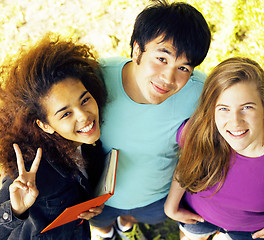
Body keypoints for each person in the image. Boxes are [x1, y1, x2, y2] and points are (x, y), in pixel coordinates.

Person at [89, 1, 211, 239]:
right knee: (100, 224)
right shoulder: (96, 78)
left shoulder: (200, 93)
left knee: (136, 217)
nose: (169, 78)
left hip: (156, 197)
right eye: (162, 59)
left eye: (184, 68)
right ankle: (107, 234)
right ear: (137, 50)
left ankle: (126, 225)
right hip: (98, 197)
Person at [0, 36, 108, 239]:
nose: (84, 115)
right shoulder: (31, 170)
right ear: (45, 125)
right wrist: (16, 210)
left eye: (84, 100)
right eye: (66, 113)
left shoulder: (88, 143)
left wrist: (89, 206)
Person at [164, 57, 264, 240]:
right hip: (197, 216)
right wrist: (171, 205)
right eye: (224, 108)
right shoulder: (201, 132)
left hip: (249, 230)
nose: (235, 122)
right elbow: (186, 164)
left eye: (247, 107)